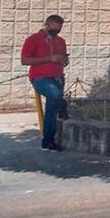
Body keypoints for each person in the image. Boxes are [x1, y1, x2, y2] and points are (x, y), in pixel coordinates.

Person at [20, 15, 68, 150]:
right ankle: (63, 105)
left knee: (51, 112)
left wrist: (63, 60)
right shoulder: (33, 40)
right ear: (47, 24)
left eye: (60, 28)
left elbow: (64, 59)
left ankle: (48, 141)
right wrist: (49, 59)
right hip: (40, 77)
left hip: (58, 76)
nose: (57, 30)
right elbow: (25, 60)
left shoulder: (61, 41)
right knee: (56, 95)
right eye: (55, 27)